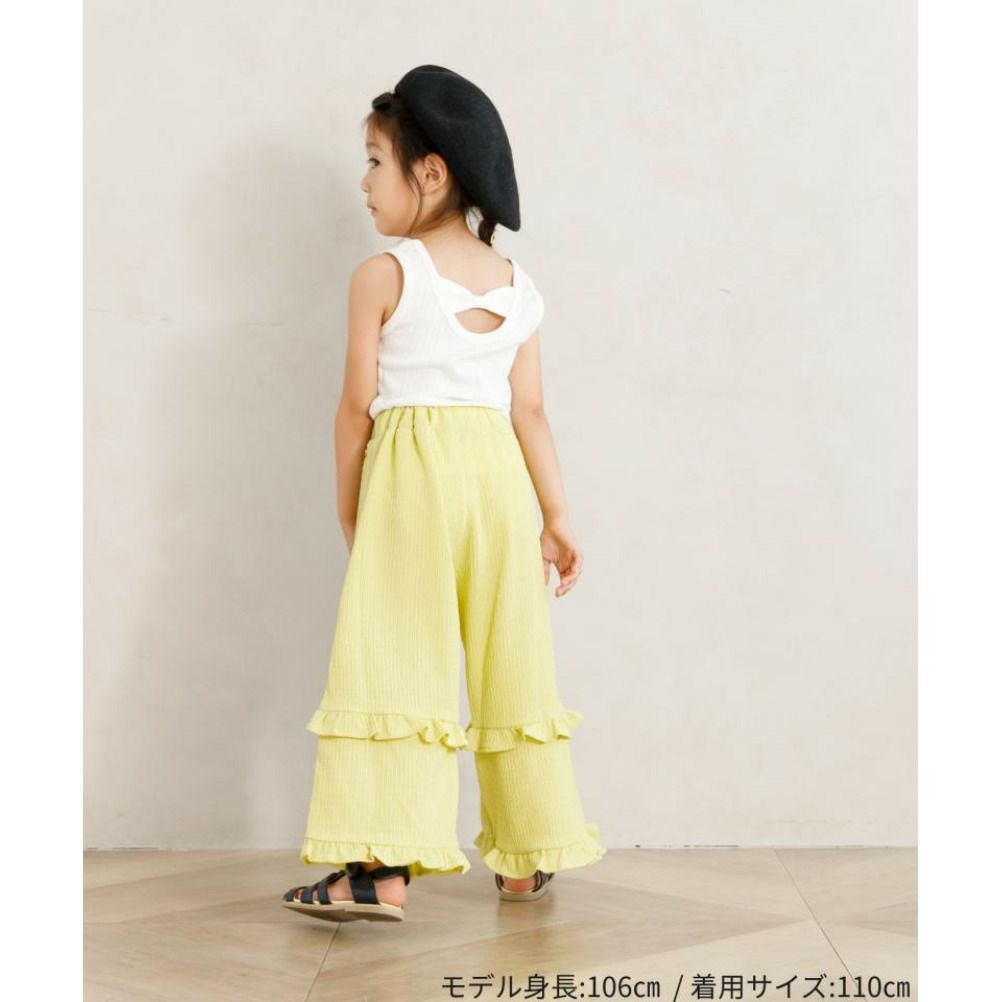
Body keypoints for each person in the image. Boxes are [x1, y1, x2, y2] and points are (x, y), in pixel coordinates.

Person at [282, 65, 605, 923]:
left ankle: (379, 869)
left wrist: (351, 507)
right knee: (513, 656)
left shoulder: (383, 275)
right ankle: (527, 858)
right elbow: (529, 410)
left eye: (374, 161)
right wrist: (556, 516)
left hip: (412, 482)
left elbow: (356, 409)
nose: (363, 182)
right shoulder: (518, 285)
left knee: (396, 655)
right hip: (499, 483)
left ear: (429, 173)